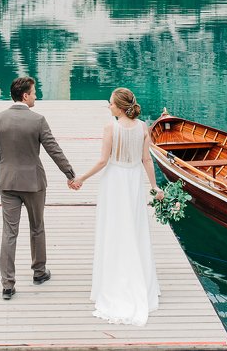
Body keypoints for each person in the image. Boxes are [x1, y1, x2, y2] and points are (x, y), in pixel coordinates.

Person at [73, 87, 162, 325]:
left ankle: (114, 282)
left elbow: (103, 160)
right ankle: (139, 279)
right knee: (134, 228)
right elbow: (146, 160)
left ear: (120, 107)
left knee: (114, 229)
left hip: (115, 181)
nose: (109, 106)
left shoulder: (110, 128)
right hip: (133, 181)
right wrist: (154, 187)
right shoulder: (143, 127)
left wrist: (81, 177)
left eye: (111, 103)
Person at [0, 76, 79, 301]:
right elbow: (53, 149)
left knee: (9, 232)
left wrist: (0, 177)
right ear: (25, 95)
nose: (36, 95)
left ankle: (7, 284)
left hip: (8, 184)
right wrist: (69, 173)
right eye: (34, 92)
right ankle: (39, 272)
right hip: (34, 183)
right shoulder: (38, 120)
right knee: (37, 227)